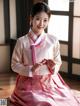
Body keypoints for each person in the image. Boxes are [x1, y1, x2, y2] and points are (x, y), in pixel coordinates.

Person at [10, 1, 80, 106]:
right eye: (38, 19)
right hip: (28, 84)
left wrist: (53, 66)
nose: (41, 24)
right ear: (31, 19)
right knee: (39, 102)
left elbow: (58, 61)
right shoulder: (22, 41)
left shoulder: (53, 40)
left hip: (50, 82)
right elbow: (14, 65)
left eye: (45, 20)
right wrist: (30, 69)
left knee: (66, 100)